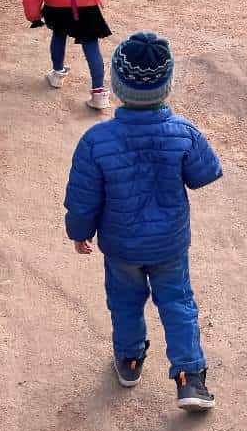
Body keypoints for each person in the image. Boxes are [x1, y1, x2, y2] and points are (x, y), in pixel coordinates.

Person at [64, 32, 223, 411]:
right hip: (169, 244)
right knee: (178, 303)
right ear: (166, 86)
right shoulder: (182, 131)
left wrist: (79, 232)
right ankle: (190, 379)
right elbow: (205, 173)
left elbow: (83, 197)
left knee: (124, 302)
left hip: (121, 247)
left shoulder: (96, 140)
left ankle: (131, 360)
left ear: (118, 85)